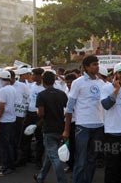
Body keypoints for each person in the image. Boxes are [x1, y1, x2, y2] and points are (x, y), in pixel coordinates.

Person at [63, 55, 105, 183]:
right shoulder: (78, 82)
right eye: (93, 64)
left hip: (99, 125)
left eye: (97, 64)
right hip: (83, 126)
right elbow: (69, 108)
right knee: (81, 159)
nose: (97, 66)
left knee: (92, 159)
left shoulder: (101, 83)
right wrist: (66, 129)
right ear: (86, 67)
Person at [34, 71, 68, 183]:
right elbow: (66, 110)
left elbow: (41, 114)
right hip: (60, 127)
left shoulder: (42, 95)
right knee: (50, 155)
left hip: (49, 128)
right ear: (54, 81)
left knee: (53, 157)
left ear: (43, 81)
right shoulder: (62, 94)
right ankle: (40, 177)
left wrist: (38, 113)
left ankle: (62, 181)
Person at [16, 68, 45, 168]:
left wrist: (42, 119)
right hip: (29, 114)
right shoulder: (31, 86)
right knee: (25, 138)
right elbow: (27, 100)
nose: (32, 76)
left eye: (34, 75)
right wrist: (25, 114)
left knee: (39, 139)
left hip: (40, 116)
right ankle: (24, 159)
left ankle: (38, 161)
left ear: (40, 76)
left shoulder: (45, 87)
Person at [0, 70, 17, 176]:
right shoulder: (13, 88)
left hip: (4, 121)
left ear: (2, 79)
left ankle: (7, 167)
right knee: (10, 144)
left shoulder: (3, 90)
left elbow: (1, 107)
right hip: (12, 120)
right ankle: (10, 165)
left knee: (4, 145)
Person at [8, 70, 30, 163]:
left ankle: (18, 158)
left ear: (13, 77)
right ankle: (11, 157)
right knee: (9, 138)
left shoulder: (22, 86)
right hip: (7, 117)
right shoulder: (5, 86)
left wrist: (25, 114)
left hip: (18, 116)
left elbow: (27, 99)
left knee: (17, 138)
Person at [63, 73, 77, 173]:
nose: (68, 84)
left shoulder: (77, 92)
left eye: (70, 82)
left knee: (76, 146)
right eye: (67, 82)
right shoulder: (66, 91)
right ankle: (71, 165)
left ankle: (75, 166)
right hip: (68, 121)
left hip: (76, 122)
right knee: (69, 145)